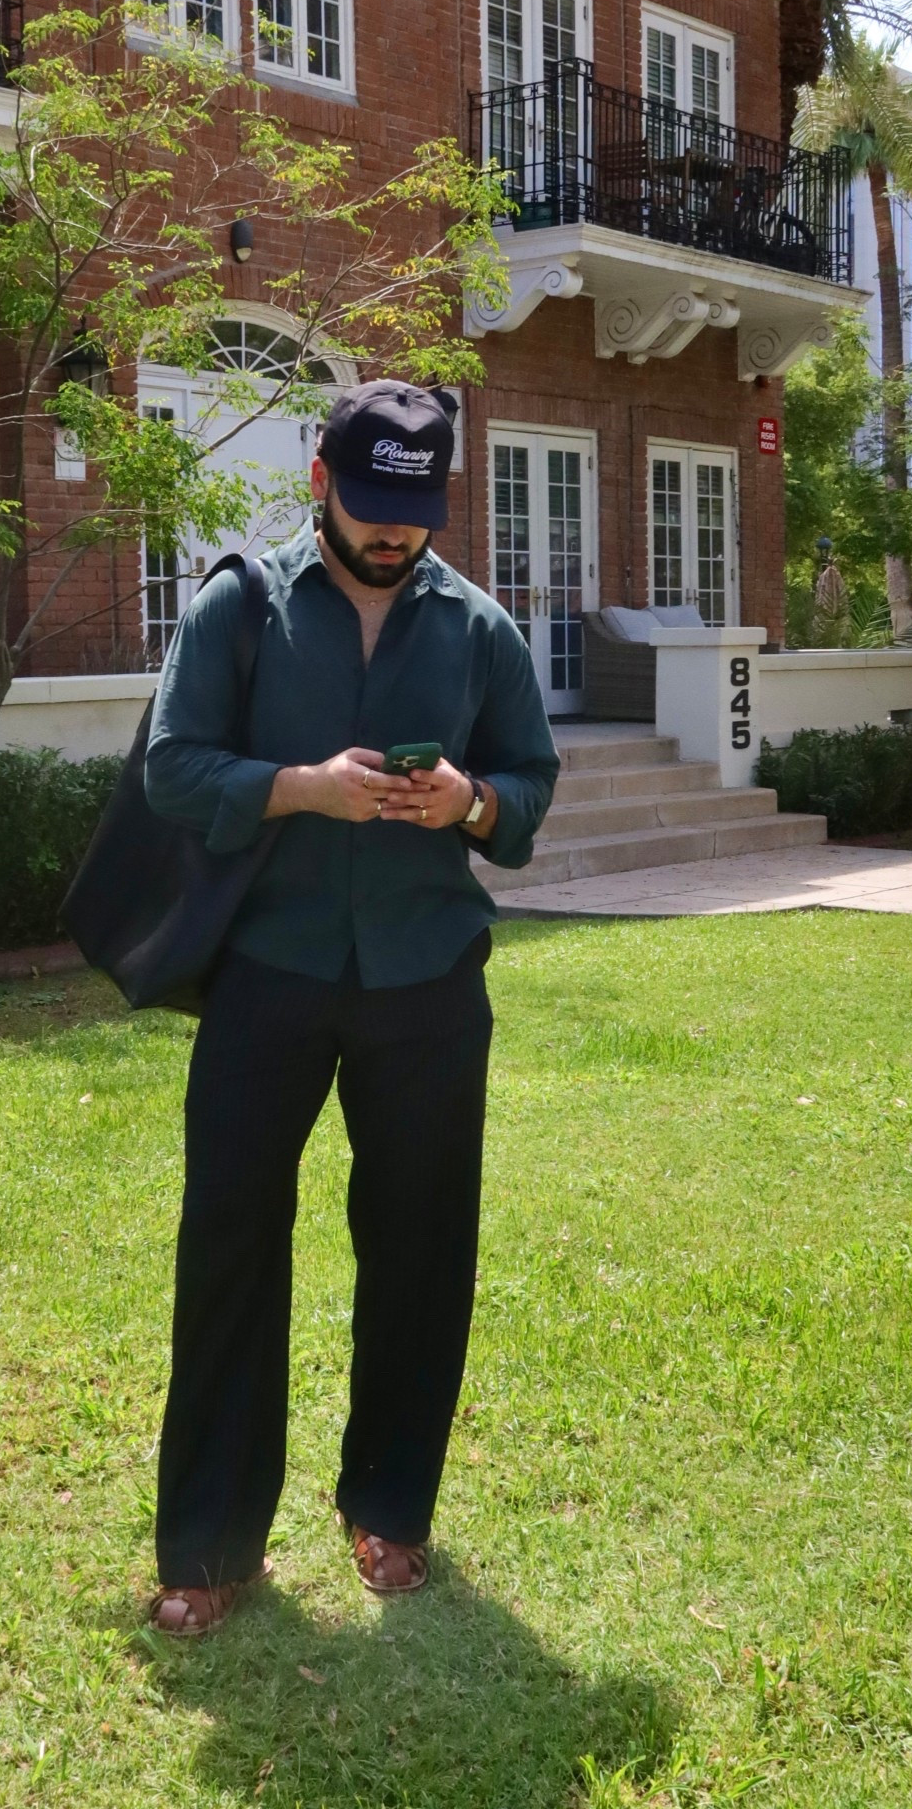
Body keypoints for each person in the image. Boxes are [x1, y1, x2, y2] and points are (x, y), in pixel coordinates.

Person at [143, 379, 559, 1634]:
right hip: (268, 974)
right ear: (321, 480)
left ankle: (390, 1503)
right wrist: (302, 788)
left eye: (414, 510)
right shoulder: (240, 604)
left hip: (428, 981)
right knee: (229, 1242)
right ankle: (211, 1546)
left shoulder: (479, 628)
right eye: (373, 506)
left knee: (423, 1246)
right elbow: (172, 766)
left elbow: (530, 788)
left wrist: (472, 804)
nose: (393, 533)